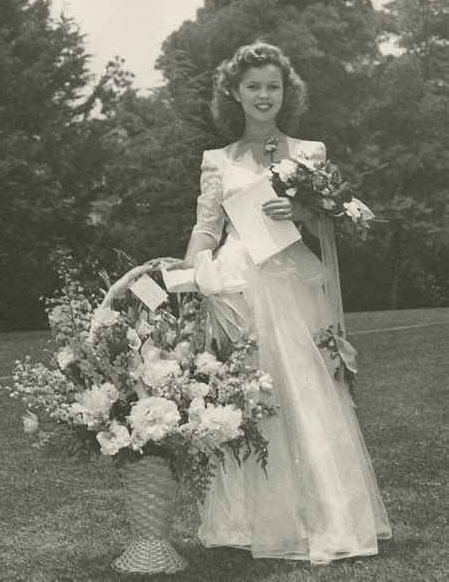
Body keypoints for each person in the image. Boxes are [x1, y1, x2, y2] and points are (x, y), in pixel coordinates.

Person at [162, 42, 392, 563]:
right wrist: (189, 273)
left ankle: (327, 519)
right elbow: (205, 229)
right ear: (234, 94)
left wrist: (298, 211)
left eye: (273, 86)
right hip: (237, 286)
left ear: (286, 93)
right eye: (253, 86)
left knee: (308, 393)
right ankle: (249, 521)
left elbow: (328, 227)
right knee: (245, 400)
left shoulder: (309, 153)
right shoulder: (217, 161)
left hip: (291, 283)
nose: (264, 95)